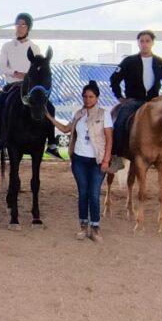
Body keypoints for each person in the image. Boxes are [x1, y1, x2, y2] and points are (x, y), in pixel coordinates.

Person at [108, 30, 162, 173]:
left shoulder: (159, 62)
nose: (144, 44)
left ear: (152, 43)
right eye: (142, 41)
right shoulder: (129, 61)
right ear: (138, 43)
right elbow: (114, 79)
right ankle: (116, 156)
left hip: (154, 101)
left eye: (147, 41)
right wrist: (120, 97)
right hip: (134, 100)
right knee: (120, 119)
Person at [0, 12, 64, 160]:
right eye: (18, 24)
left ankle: (52, 143)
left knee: (50, 107)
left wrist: (30, 77)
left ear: (28, 28)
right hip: (12, 85)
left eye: (23, 25)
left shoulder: (34, 47)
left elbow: (39, 68)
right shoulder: (7, 46)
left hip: (30, 87)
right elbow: (1, 67)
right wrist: (15, 73)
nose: (20, 27)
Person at [50, 80, 113, 242]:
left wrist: (106, 160)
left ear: (97, 98)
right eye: (85, 96)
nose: (87, 100)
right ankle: (83, 226)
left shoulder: (104, 114)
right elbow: (65, 129)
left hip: (97, 160)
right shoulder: (78, 114)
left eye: (91, 97)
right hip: (79, 159)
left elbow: (109, 138)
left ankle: (96, 227)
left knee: (94, 193)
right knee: (83, 193)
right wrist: (49, 117)